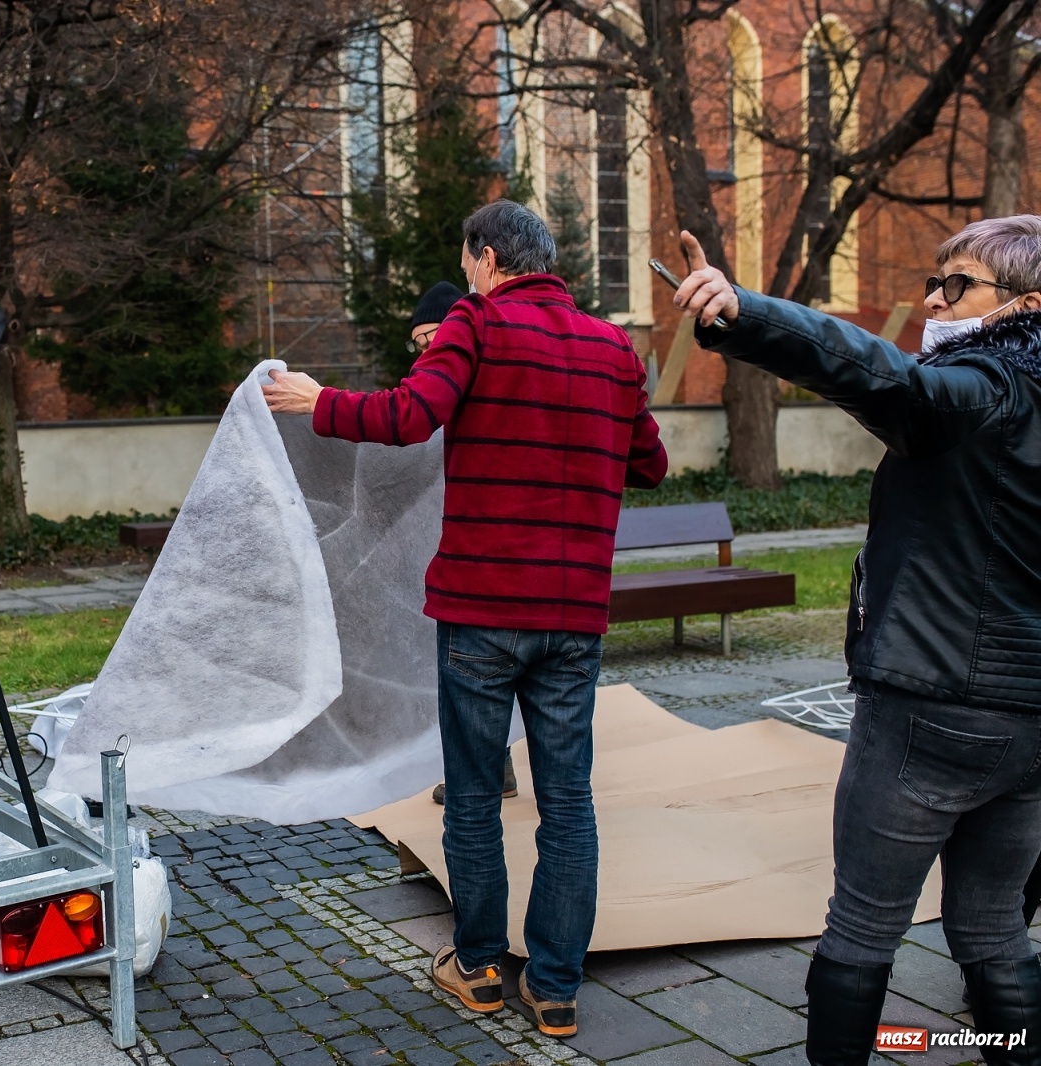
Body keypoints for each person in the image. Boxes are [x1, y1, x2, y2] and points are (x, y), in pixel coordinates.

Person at [262, 200, 667, 1035]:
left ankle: (479, 967)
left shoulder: (475, 325)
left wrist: (319, 399)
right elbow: (651, 463)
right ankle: (555, 988)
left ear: (484, 259)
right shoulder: (613, 348)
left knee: (476, 798)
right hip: (575, 618)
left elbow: (410, 417)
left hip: (482, 612)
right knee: (568, 803)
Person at [673, 216, 1041, 1066]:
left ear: (1025, 304)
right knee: (993, 925)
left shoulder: (986, 389)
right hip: (1028, 725)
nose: (933, 299)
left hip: (934, 706)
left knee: (864, 924)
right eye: (934, 280)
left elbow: (886, 376)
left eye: (958, 285)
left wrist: (748, 314)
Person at [408, 280, 523, 807]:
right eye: (417, 342)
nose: (426, 349)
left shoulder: (481, 371)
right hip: (464, 555)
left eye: (432, 335)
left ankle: (481, 776)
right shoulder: (434, 382)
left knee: (472, 678)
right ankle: (493, 769)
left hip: (484, 565)